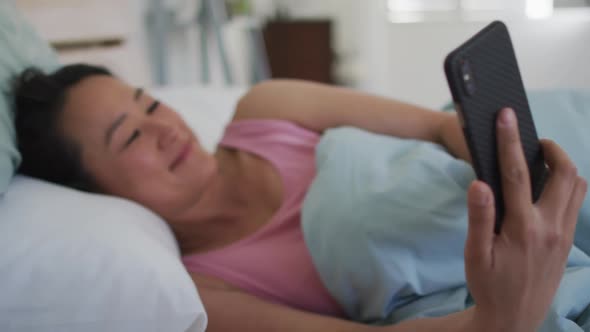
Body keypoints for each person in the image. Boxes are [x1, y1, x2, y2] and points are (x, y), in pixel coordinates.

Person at [13, 64, 587, 332]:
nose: (165, 126)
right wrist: (497, 319)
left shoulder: (264, 108)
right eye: (131, 135)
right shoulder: (208, 292)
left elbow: (437, 128)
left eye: (148, 101)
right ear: (98, 194)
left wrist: (515, 174)